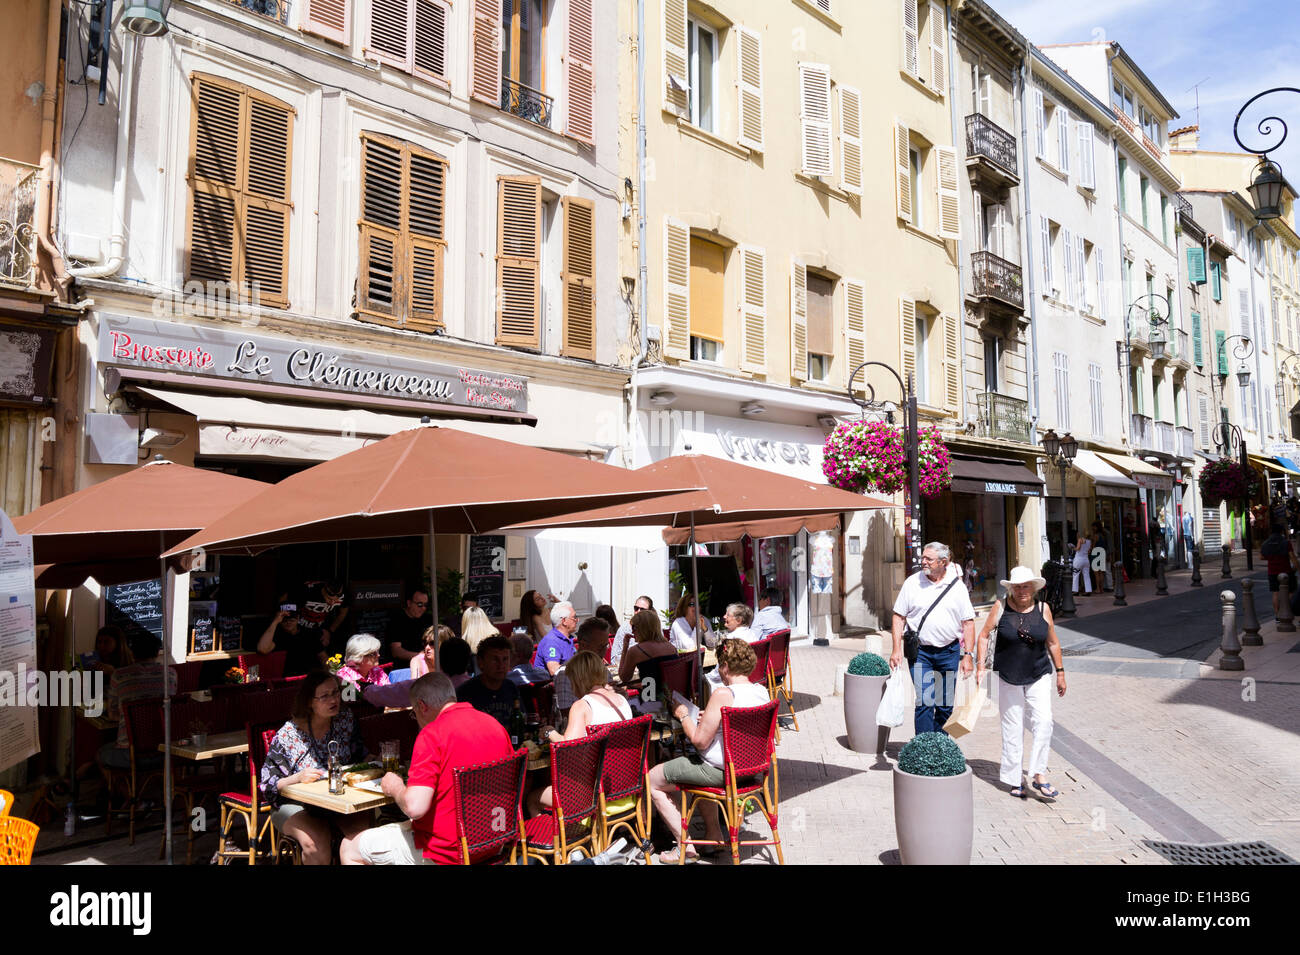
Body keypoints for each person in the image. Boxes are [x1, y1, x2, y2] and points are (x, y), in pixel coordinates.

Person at [343, 672, 515, 865]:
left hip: (448, 851)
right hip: (494, 840)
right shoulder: (495, 725)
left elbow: (415, 808)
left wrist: (396, 787)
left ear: (422, 706)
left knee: (349, 847)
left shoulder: (432, 735)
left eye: (413, 712)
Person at [647, 639, 770, 863]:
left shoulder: (724, 694)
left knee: (652, 779)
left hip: (721, 771)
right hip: (751, 770)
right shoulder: (761, 692)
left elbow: (700, 741)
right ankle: (713, 834)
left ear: (725, 666)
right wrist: (711, 720)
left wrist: (684, 715)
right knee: (695, 766)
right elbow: (737, 727)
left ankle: (686, 845)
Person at [259, 672, 371, 865]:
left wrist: (378, 762)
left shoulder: (344, 720)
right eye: (325, 696)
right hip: (295, 804)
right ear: (309, 702)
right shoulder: (289, 735)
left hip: (336, 801)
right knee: (316, 841)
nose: (334, 699)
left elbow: (359, 754)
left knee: (362, 836)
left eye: (336, 692)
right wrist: (297, 777)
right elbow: (267, 786)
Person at [975, 566, 1067, 800]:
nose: (1022, 590)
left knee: (1044, 722)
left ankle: (1038, 774)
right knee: (1012, 727)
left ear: (1034, 588)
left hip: (1039, 673)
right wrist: (979, 665)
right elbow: (984, 634)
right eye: (1017, 586)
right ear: (1012, 589)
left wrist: (1060, 673)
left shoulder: (1043, 609)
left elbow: (1053, 643)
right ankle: (1014, 778)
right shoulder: (1001, 607)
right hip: (1008, 676)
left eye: (1026, 586)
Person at [528, 650, 633, 816]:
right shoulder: (622, 700)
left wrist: (549, 732)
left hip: (592, 793)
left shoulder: (583, 705)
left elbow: (567, 747)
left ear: (578, 679)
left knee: (532, 798)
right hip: (625, 786)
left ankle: (567, 839)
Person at [890, 542, 975, 735]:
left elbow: (968, 623)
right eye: (923, 558)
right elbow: (898, 616)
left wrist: (968, 655)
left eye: (929, 559)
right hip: (921, 653)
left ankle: (939, 747)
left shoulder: (957, 586)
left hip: (949, 652)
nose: (923, 562)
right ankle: (923, 751)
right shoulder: (912, 583)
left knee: (945, 706)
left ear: (943, 562)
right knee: (925, 701)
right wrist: (896, 649)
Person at [98, 632, 177, 770]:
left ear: (132, 652)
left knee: (101, 753)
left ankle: (123, 790)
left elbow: (113, 715)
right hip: (166, 750)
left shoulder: (119, 675)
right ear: (157, 651)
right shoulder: (170, 674)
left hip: (130, 753)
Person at [551, 619, 612, 723]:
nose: (604, 651)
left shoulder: (604, 671)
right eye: (600, 647)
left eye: (606, 646)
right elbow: (566, 716)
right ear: (583, 645)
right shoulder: (566, 675)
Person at [455, 635, 519, 728]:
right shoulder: (465, 694)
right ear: (481, 662)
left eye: (505, 659)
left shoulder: (511, 688)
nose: (501, 665)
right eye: (495, 659)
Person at [257, 601, 327, 677]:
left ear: (298, 618)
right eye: (285, 619)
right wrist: (275, 622)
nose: (288, 622)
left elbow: (323, 658)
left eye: (292, 618)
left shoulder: (309, 634)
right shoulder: (277, 635)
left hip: (308, 678)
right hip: (286, 680)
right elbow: (262, 649)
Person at [618, 608, 678, 689]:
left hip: (650, 698)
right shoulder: (672, 648)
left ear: (641, 628)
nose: (632, 631)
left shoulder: (636, 650)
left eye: (633, 627)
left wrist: (625, 647)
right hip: (672, 697)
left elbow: (624, 677)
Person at [290, 578, 349, 655]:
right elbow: (285, 601)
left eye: (335, 600)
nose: (332, 603)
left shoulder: (345, 595)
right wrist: (292, 626)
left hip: (319, 628)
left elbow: (343, 613)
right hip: (299, 625)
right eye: (329, 599)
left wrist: (329, 631)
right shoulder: (307, 591)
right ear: (324, 590)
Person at [387, 586, 432, 665]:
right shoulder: (397, 621)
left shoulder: (428, 619)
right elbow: (396, 651)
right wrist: (421, 657)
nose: (423, 608)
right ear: (409, 603)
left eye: (426, 605)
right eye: (420, 604)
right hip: (404, 667)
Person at [532, 601, 579, 676]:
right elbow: (554, 670)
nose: (577, 620)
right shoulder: (552, 641)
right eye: (574, 617)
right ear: (564, 621)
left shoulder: (568, 638)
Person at [1260, 524, 1297, 615]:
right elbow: (1292, 557)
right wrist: (1296, 567)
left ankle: (1277, 614)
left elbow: (1261, 557)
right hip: (1286, 571)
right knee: (1292, 590)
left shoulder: (1265, 543)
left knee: (1275, 593)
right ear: (1281, 531)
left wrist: (1272, 558)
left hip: (1272, 571)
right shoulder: (1286, 542)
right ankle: (1286, 609)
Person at [610, 595, 654, 669]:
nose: (638, 612)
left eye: (642, 609)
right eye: (636, 608)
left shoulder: (654, 628)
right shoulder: (625, 628)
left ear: (650, 611)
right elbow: (614, 658)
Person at [1071, 529, 1093, 596]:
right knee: (1086, 576)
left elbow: (1078, 548)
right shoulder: (1089, 541)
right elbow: (1089, 551)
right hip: (1086, 560)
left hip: (1078, 559)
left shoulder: (1080, 540)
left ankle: (1075, 591)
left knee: (1076, 575)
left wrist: (1072, 548)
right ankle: (1088, 590)